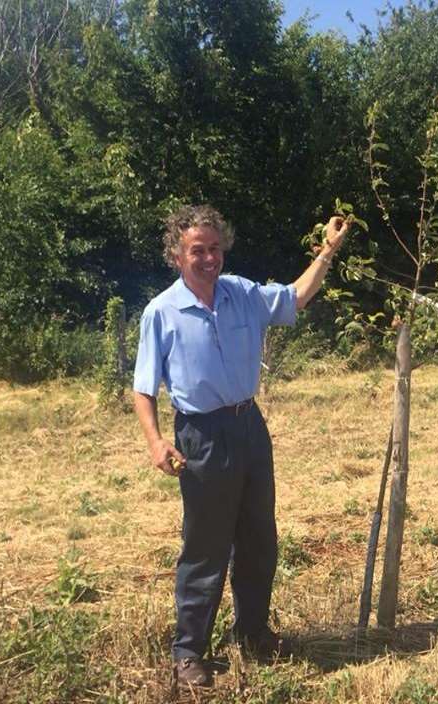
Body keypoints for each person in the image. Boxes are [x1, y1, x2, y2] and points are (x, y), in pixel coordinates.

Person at [133, 205, 349, 686]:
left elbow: (295, 297)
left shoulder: (242, 294)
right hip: (202, 436)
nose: (209, 258)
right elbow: (143, 387)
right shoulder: (161, 312)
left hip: (249, 426)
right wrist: (155, 441)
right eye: (197, 250)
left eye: (215, 248)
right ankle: (188, 651)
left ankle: (252, 632)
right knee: (205, 547)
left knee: (258, 538)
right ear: (176, 254)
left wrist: (328, 250)